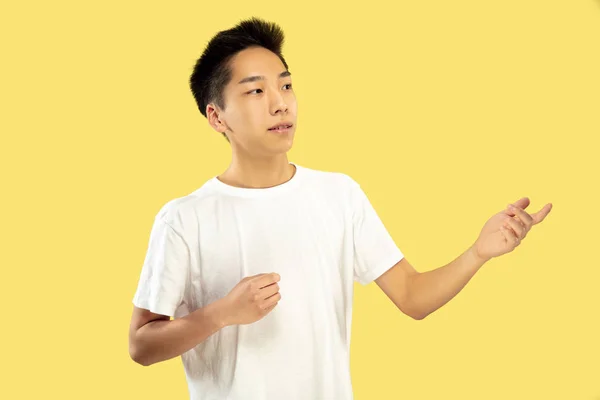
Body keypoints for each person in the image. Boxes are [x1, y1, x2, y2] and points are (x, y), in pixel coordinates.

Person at [128, 17, 553, 400]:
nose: (281, 103)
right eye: (256, 90)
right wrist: (221, 314)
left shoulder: (338, 195)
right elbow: (141, 345)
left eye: (286, 85)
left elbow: (412, 297)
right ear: (217, 117)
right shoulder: (184, 218)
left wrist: (478, 252)